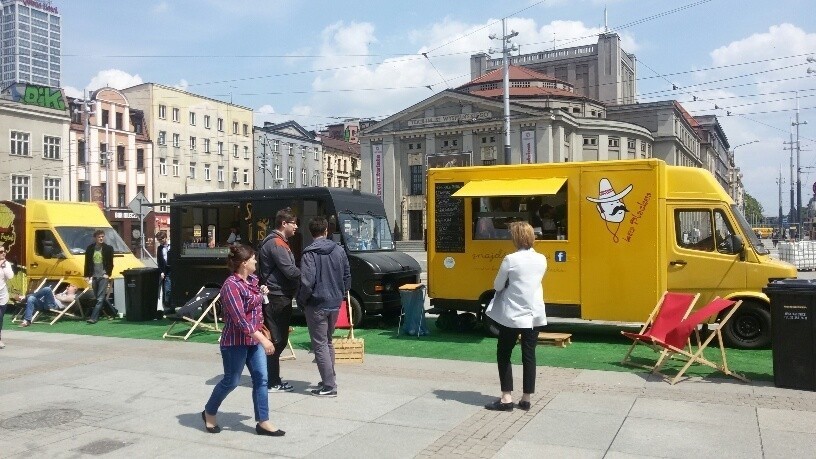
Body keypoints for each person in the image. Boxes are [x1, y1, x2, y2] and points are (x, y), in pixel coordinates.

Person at [202, 244, 284, 437]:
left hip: (253, 342)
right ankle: (209, 412)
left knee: (262, 379)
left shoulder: (253, 280)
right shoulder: (231, 286)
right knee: (232, 381)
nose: (256, 262)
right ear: (244, 263)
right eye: (254, 259)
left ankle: (263, 421)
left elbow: (255, 306)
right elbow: (240, 320)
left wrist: (262, 293)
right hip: (235, 342)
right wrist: (263, 340)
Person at [483, 221, 548, 412]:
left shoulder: (510, 259)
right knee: (529, 354)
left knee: (504, 353)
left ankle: (506, 397)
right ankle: (526, 398)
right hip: (534, 313)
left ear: (516, 238)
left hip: (513, 314)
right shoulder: (542, 259)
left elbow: (497, 286)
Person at [297, 216, 351, 397]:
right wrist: (341, 293)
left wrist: (301, 300)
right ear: (326, 230)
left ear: (311, 232)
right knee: (327, 341)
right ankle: (329, 378)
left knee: (320, 344)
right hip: (335, 302)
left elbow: (307, 281)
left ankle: (329, 385)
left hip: (317, 303)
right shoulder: (339, 250)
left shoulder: (309, 253)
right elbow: (347, 275)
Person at [258, 208, 301, 393]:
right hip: (277, 296)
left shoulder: (278, 241)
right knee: (277, 340)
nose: (296, 227)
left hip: (278, 295)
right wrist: (309, 273)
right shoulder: (277, 243)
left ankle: (272, 379)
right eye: (294, 223)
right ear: (284, 223)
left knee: (278, 340)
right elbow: (289, 271)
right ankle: (272, 381)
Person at [84, 229, 115, 324]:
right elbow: (87, 263)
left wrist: (108, 274)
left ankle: (94, 318)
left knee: (100, 299)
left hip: (103, 276)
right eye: (99, 237)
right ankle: (113, 311)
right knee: (98, 297)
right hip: (94, 275)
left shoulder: (108, 248)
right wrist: (86, 275)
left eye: (102, 236)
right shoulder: (90, 248)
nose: (101, 238)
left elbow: (110, 263)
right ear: (95, 238)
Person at [156, 231, 172, 316]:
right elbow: (159, 261)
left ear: (166, 237)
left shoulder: (172, 245)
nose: (160, 241)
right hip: (166, 270)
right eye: (159, 240)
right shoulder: (160, 248)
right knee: (166, 289)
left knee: (170, 289)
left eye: (161, 239)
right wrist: (161, 272)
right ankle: (167, 307)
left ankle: (170, 307)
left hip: (173, 269)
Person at [0, 246, 14, 349]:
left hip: (2, 296)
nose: (3, 253)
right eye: (1, 252)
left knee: (0, 318)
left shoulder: (6, 264)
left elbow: (10, 276)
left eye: (4, 251)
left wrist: (3, 266)